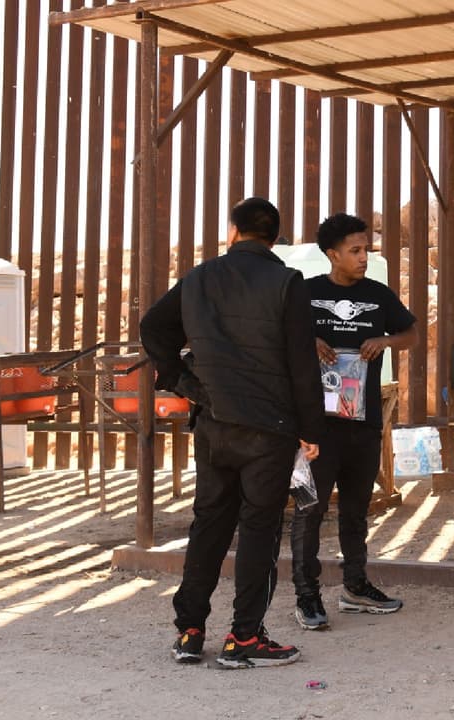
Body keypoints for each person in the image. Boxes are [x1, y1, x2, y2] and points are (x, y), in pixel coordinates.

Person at [141, 197, 325, 669]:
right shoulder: (287, 282)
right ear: (274, 237)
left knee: (209, 524)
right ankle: (244, 638)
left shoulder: (200, 277)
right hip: (269, 427)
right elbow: (303, 364)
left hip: (213, 424)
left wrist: (184, 382)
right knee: (259, 529)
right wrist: (310, 429)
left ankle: (189, 631)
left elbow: (153, 327)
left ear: (233, 231)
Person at [290, 213, 418, 629]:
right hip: (314, 429)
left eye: (367, 250)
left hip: (364, 423)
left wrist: (385, 340)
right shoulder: (305, 293)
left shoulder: (378, 295)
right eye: (356, 250)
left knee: (356, 510)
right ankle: (307, 595)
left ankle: (355, 586)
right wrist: (309, 340)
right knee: (309, 509)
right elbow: (278, 335)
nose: (364, 257)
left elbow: (411, 333)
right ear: (332, 254)